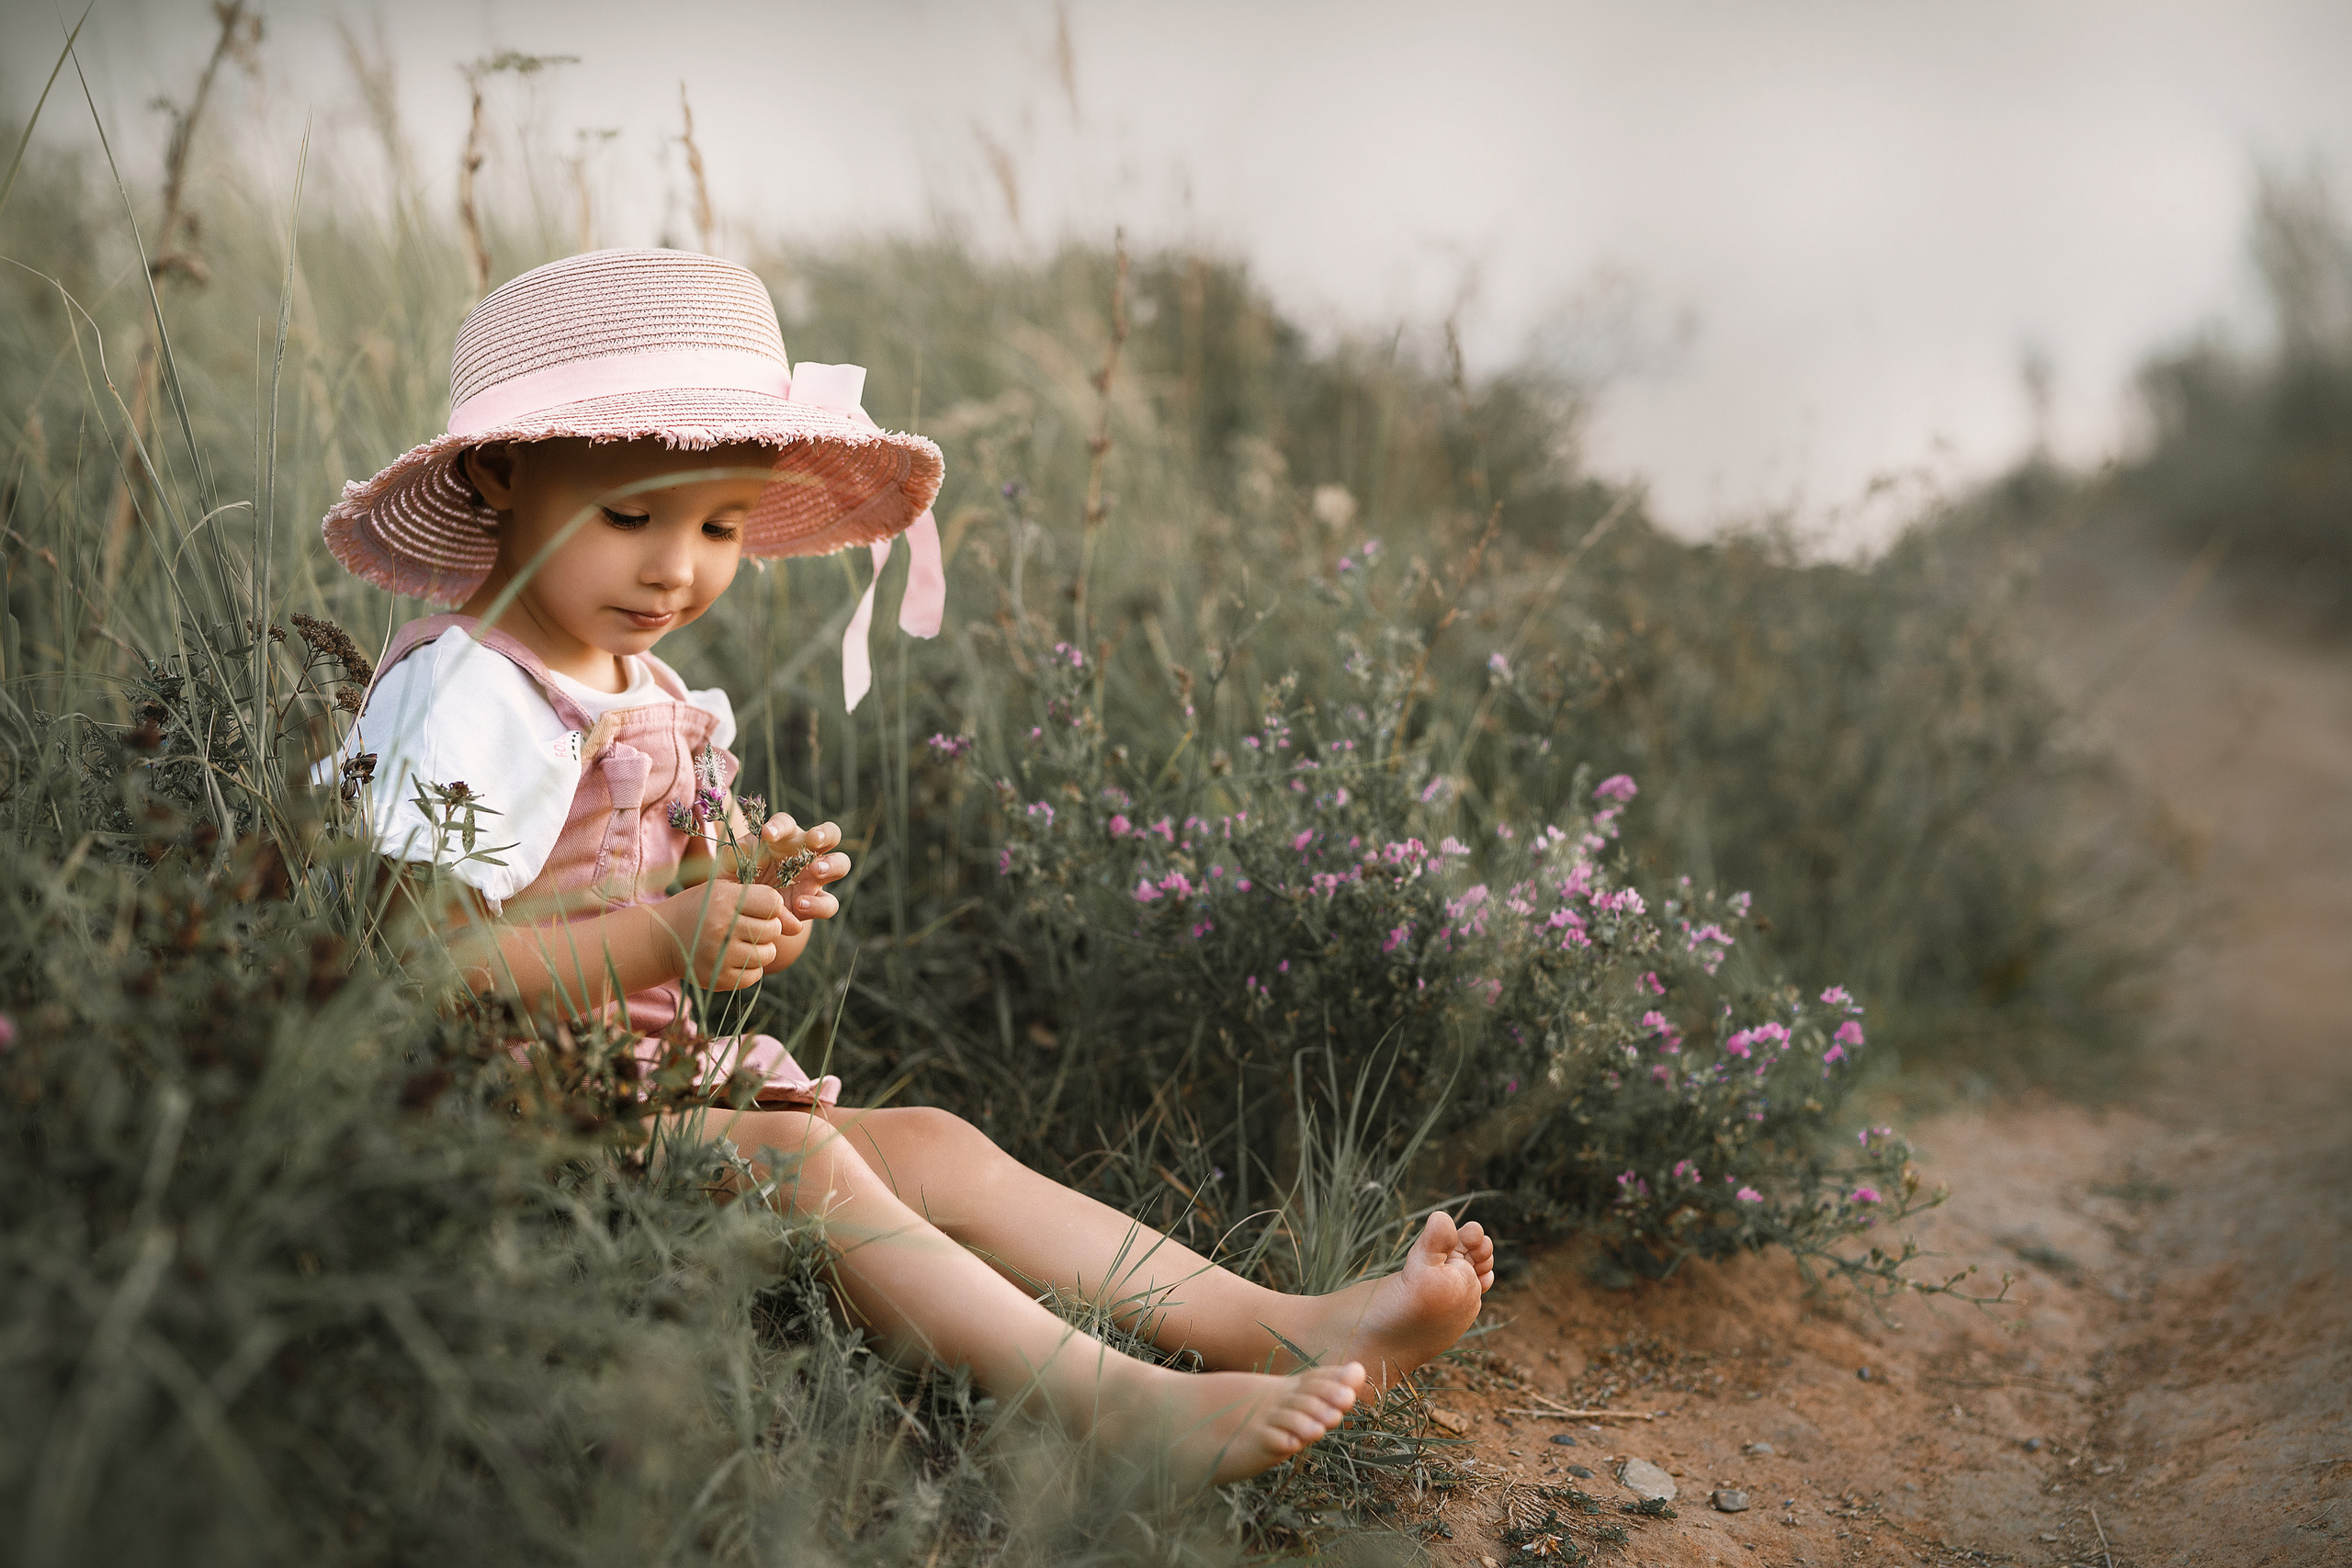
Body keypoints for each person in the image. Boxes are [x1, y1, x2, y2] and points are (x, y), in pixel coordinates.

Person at [319, 249, 1495, 1487]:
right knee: (793, 1156)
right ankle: (1120, 1411)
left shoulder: (642, 683)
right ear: (505, 471)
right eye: (633, 517)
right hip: (480, 1127)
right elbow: (410, 965)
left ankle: (1287, 1322)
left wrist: (748, 886)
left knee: (928, 1140)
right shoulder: (461, 693)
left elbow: (633, 887)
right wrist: (666, 940)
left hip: (623, 1084)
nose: (679, 567)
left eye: (720, 527)